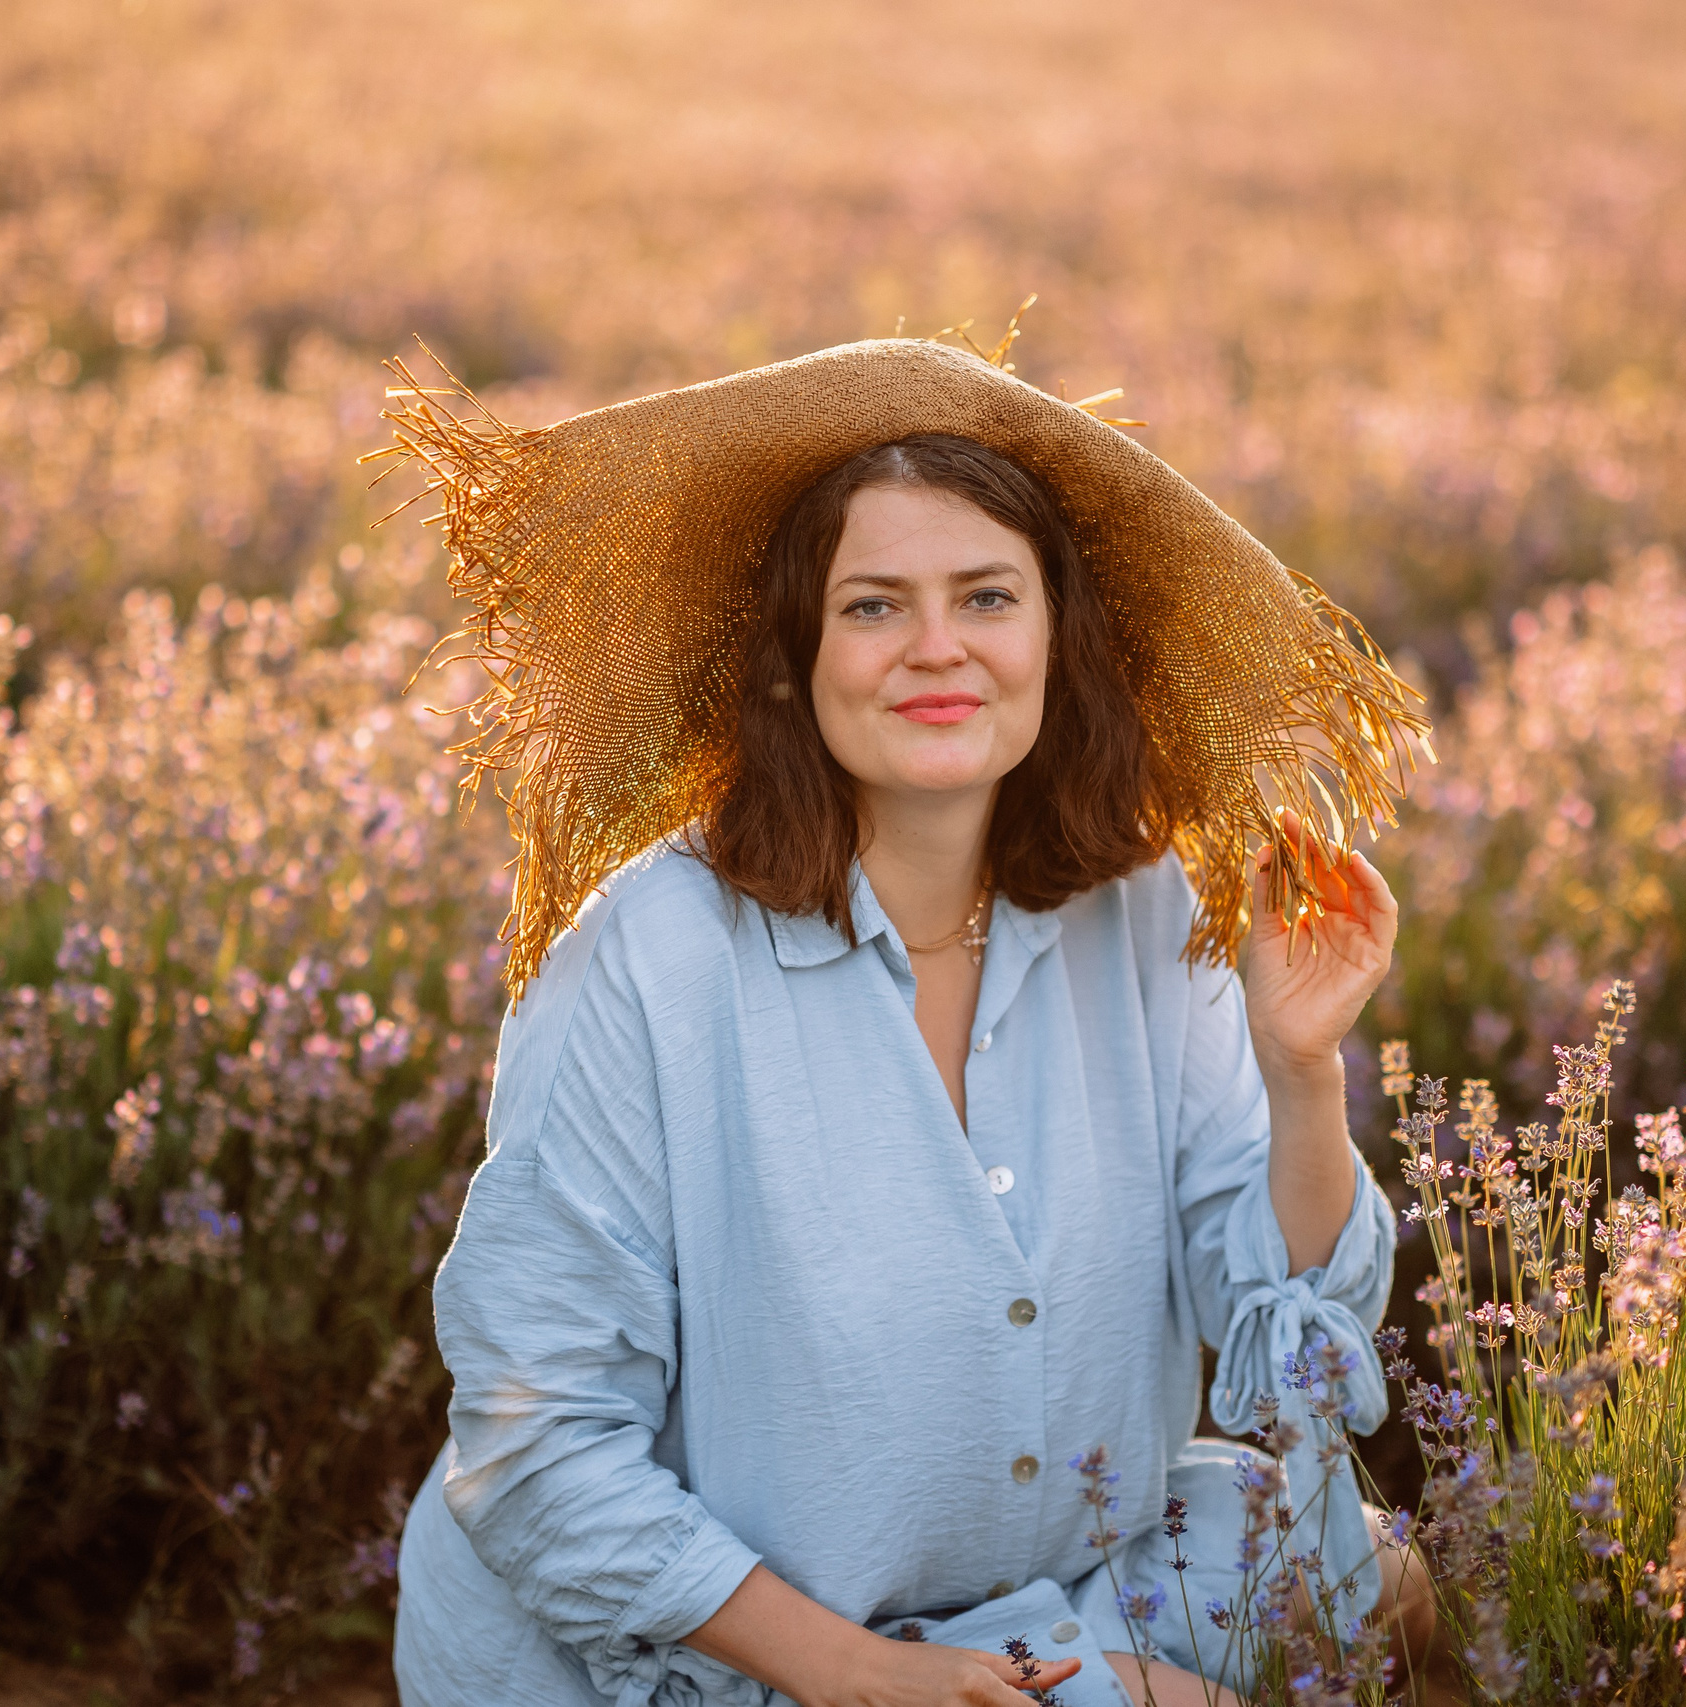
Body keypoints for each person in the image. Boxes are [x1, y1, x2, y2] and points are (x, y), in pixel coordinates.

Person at [378, 334, 1442, 1706]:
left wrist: (1300, 1069)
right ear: (795, 658)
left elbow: (1278, 1322)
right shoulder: (650, 956)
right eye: (873, 606)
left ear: (1055, 638)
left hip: (1049, 1571)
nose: (939, 648)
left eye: (986, 597)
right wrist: (869, 1677)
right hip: (731, 1636)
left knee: (1391, 1593)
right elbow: (537, 1451)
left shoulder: (1135, 901)